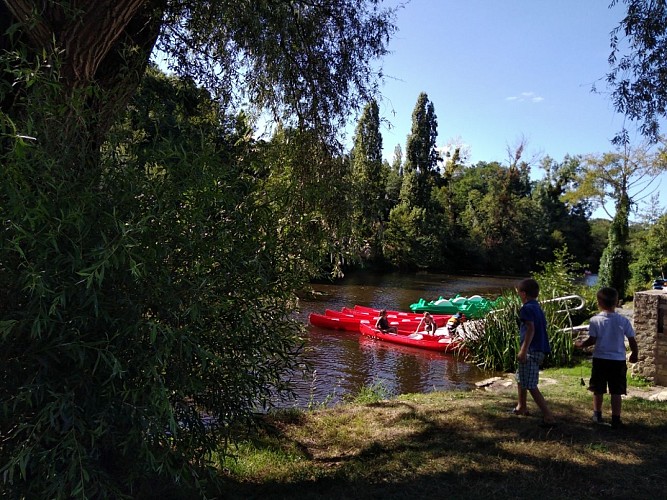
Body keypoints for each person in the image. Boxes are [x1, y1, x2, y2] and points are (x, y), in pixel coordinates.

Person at [575, 287, 639, 428]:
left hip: (600, 359)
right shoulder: (623, 321)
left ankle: (597, 414)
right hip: (618, 360)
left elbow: (592, 340)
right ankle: (616, 418)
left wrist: (581, 344)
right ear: (616, 302)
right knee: (616, 391)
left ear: (599, 302)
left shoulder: (595, 320)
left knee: (598, 388)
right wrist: (635, 354)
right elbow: (632, 340)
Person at [512, 278, 556, 426]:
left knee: (530, 384)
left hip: (531, 349)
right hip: (540, 349)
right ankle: (521, 406)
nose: (519, 295)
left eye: (519, 293)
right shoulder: (537, 307)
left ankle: (548, 415)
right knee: (521, 377)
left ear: (523, 294)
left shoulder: (526, 309)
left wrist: (523, 350)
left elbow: (531, 328)